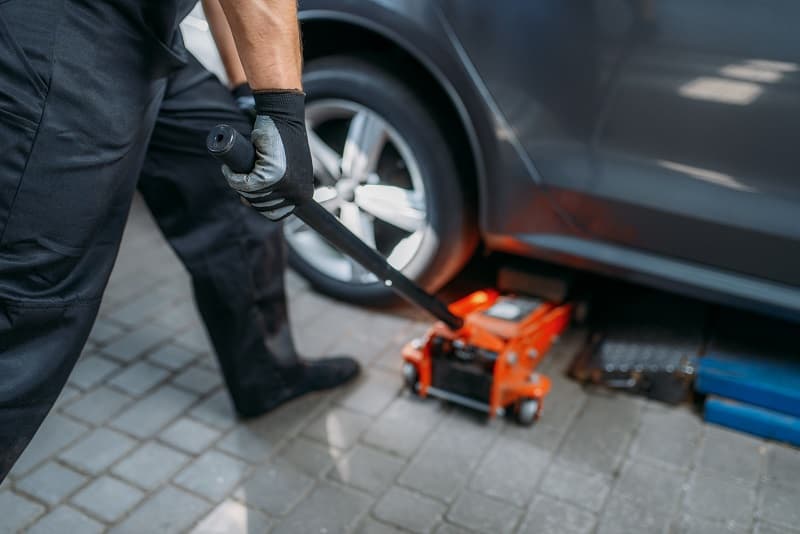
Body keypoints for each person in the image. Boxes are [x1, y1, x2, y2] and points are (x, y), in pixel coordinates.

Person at [0, 0, 359, 481]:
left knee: (231, 184)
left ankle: (266, 375)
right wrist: (285, 112)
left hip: (145, 33)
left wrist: (252, 96)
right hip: (59, 35)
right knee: (29, 304)